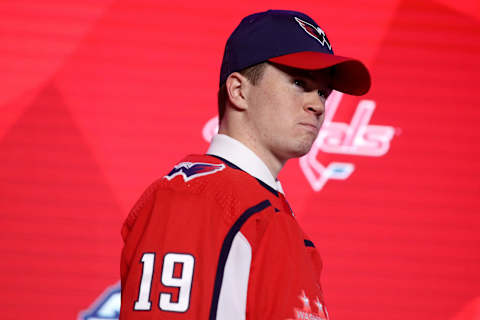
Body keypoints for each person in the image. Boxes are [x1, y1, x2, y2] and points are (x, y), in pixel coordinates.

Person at [119, 9, 370, 320]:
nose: (317, 105)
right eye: (298, 83)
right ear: (238, 90)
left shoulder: (266, 210)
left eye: (322, 92)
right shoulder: (195, 200)